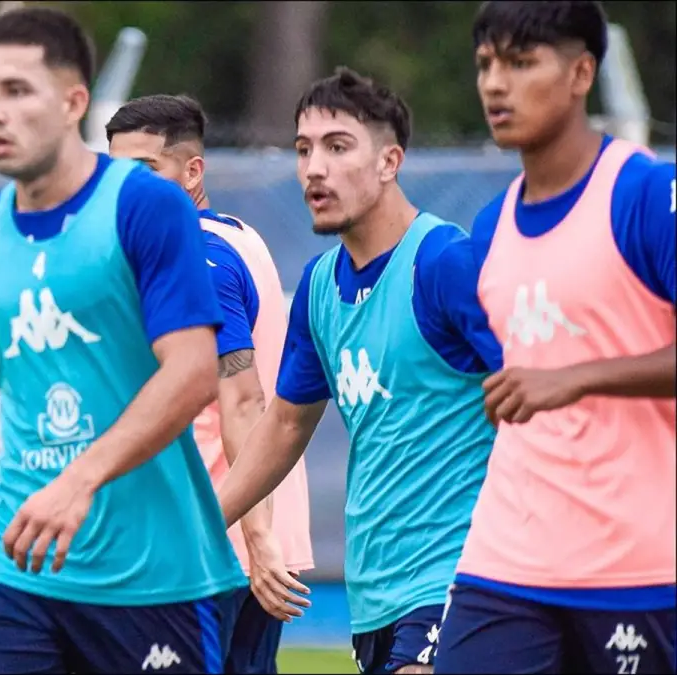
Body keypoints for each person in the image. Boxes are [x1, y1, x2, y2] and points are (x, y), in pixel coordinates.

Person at [0, 8, 247, 674]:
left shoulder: (144, 205)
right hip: (13, 556)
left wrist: (80, 479)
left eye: (17, 91)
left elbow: (192, 374)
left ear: (75, 101)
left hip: (152, 572)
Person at [215, 67, 506, 675]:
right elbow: (286, 426)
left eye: (337, 146)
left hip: (461, 574)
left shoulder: (445, 264)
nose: (313, 168)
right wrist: (200, 522)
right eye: (303, 150)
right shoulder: (321, 287)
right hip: (375, 593)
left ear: (389, 161)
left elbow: (538, 398)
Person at [434, 2, 676, 673]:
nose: (494, 84)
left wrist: (576, 376)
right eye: (485, 64)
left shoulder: (645, 194)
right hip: (506, 557)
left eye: (520, 62)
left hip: (636, 563)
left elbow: (556, 378)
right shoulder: (488, 231)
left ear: (580, 73)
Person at [105, 93, 314, 674]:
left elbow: (243, 401)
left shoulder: (198, 256)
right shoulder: (238, 236)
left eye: (144, 171)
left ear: (192, 171)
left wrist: (257, 536)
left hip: (212, 544)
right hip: (236, 538)